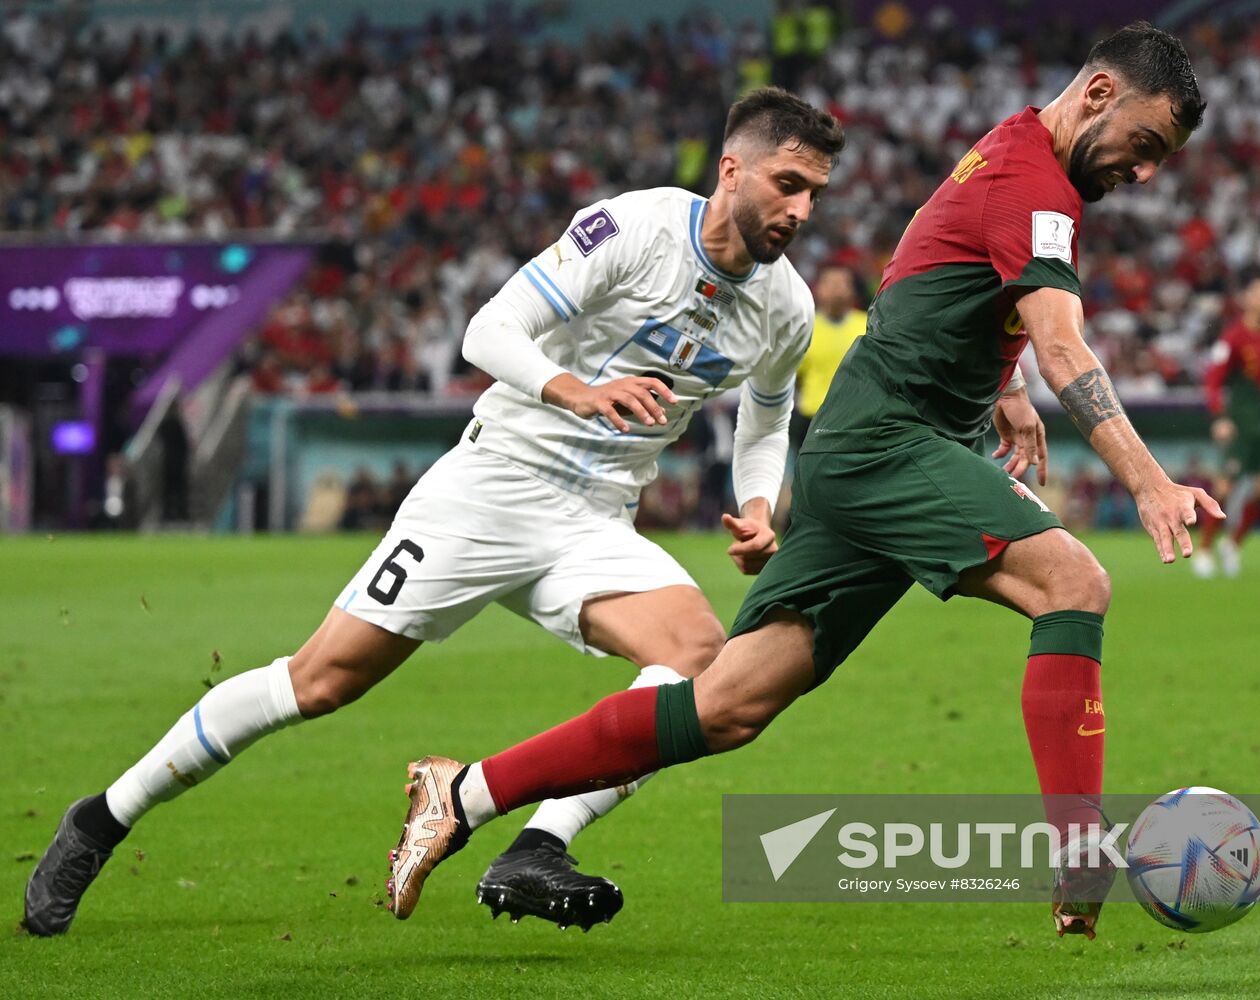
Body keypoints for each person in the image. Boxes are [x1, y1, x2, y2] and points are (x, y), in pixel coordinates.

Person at [382, 21, 1220, 943]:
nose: (1146, 172)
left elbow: (924, 265)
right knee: (1074, 584)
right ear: (1099, 94)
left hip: (875, 444)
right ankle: (1080, 849)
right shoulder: (1031, 182)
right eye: (1146, 144)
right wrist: (1150, 482)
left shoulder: (1015, 153)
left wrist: (1003, 384)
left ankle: (466, 791)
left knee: (727, 705)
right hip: (888, 444)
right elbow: (1065, 345)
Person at [23, 87, 847, 937]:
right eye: (787, 184)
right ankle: (101, 819)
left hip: (596, 519)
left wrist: (757, 505)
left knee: (701, 668)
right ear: (731, 169)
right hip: (490, 488)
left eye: (815, 194)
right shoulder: (635, 229)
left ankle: (536, 846)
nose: (801, 210)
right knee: (319, 681)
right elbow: (488, 330)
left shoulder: (785, 307)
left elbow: (766, 417)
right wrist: (576, 390)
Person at [1194, 276, 1260, 578]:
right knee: (1225, 487)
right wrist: (1219, 416)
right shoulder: (1233, 338)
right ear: (1247, 300)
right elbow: (1213, 380)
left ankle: (1233, 544)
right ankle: (1204, 549)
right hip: (1240, 423)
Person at [791, 264, 866, 448]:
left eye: (843, 283)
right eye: (831, 283)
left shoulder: (867, 324)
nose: (837, 289)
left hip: (856, 418)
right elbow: (794, 376)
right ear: (818, 289)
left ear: (852, 290)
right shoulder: (804, 328)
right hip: (813, 417)